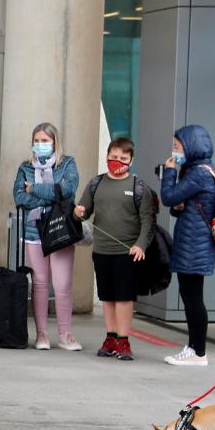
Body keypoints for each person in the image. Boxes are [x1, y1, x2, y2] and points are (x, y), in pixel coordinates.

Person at [76, 137, 157, 362]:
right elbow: (84, 210)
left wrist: (140, 245)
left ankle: (124, 340)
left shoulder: (138, 187)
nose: (117, 161)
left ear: (131, 160)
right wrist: (79, 211)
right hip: (101, 251)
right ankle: (110, 338)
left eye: (123, 158)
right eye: (113, 157)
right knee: (108, 298)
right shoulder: (96, 184)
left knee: (124, 298)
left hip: (128, 253)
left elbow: (148, 220)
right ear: (107, 156)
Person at [11, 122, 82, 351]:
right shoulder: (25, 168)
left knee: (62, 284)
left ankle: (65, 334)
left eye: (45, 140)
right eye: (37, 140)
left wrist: (35, 189)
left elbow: (68, 191)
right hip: (33, 232)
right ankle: (41, 334)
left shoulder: (67, 163)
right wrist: (50, 196)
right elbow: (20, 197)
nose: (40, 145)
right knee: (40, 283)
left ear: (55, 142)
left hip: (60, 229)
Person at [159, 124, 215, 366]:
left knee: (193, 297)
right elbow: (180, 207)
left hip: (196, 244)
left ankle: (198, 351)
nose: (174, 152)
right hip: (192, 241)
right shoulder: (196, 170)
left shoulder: (199, 173)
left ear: (191, 146)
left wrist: (169, 172)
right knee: (189, 294)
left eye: (177, 147)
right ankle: (194, 348)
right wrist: (178, 205)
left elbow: (168, 197)